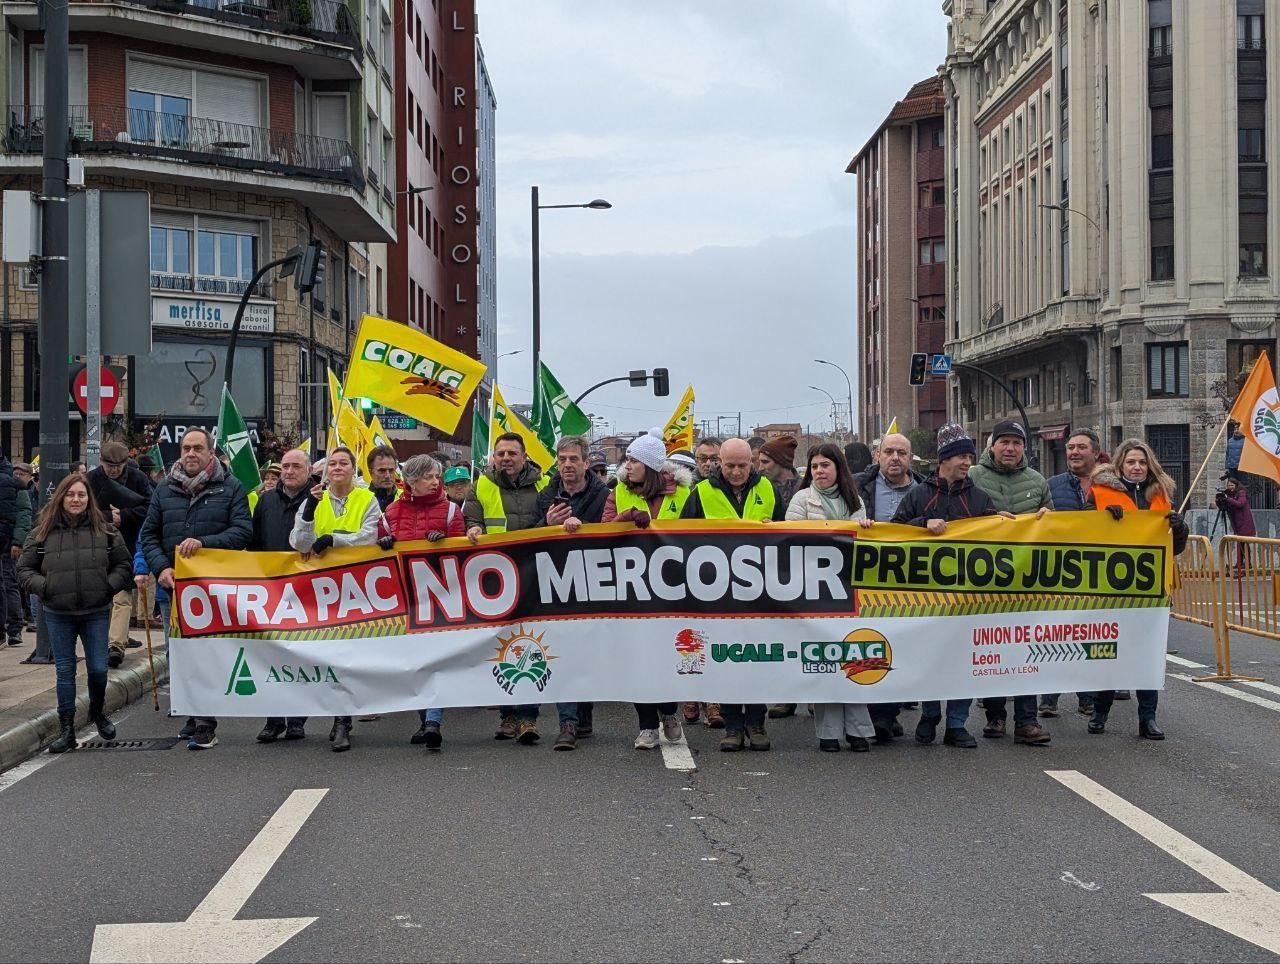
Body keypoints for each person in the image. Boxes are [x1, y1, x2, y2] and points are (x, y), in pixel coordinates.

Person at [140, 427, 253, 750]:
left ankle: (206, 723)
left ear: (210, 453)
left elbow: (242, 532)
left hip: (211, 592)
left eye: (197, 448)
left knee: (205, 655)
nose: (190, 454)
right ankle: (192, 713)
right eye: (186, 448)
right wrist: (161, 567)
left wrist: (204, 544)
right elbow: (149, 535)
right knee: (179, 656)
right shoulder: (164, 489)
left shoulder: (230, 488)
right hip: (172, 590)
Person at [893, 423, 1000, 749]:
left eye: (969, 455)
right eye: (960, 456)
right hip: (926, 598)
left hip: (968, 600)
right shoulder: (919, 495)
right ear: (944, 459)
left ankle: (957, 723)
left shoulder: (980, 499)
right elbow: (893, 533)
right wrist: (922, 525)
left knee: (963, 662)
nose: (967, 462)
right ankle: (930, 714)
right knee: (931, 659)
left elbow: (999, 538)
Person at [682, 437, 786, 751]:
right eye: (730, 466)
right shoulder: (700, 493)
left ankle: (756, 724)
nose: (737, 472)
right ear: (719, 464)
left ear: (752, 463)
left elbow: (789, 538)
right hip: (717, 595)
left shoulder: (768, 490)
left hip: (760, 593)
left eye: (742, 466)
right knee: (724, 661)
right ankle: (733, 726)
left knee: (755, 660)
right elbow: (681, 540)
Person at [20, 474, 132, 752]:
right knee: (65, 671)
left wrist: (107, 587)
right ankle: (67, 728)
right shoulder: (42, 532)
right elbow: (24, 570)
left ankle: (97, 712)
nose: (76, 499)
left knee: (97, 668)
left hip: (95, 610)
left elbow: (123, 564)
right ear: (61, 497)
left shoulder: (105, 530)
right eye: (70, 494)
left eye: (81, 495)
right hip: (58, 612)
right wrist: (46, 587)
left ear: (88, 499)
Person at [1087, 439, 1188, 740]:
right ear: (1120, 465)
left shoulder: (1161, 498)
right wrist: (1104, 521)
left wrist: (1179, 528)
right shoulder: (1099, 494)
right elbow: (1081, 536)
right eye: (1131, 462)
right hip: (1111, 589)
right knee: (1109, 653)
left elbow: (1175, 548)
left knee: (1148, 655)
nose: (1137, 467)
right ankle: (1100, 712)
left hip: (1150, 591)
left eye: (1142, 463)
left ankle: (1148, 718)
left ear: (1150, 466)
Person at [290, 447, 386, 753]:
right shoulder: (313, 500)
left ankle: (343, 719)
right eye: (332, 463)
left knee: (349, 654)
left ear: (353, 468)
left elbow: (369, 536)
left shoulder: (366, 499)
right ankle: (339, 714)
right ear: (324, 469)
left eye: (344, 462)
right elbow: (299, 542)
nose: (337, 467)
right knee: (329, 653)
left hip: (357, 585)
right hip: (321, 588)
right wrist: (307, 513)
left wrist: (335, 539)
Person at [603, 430, 695, 749]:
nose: (627, 466)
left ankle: (669, 713)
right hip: (632, 588)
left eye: (634, 460)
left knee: (667, 654)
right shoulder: (618, 492)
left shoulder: (682, 495)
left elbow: (699, 531)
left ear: (651, 465)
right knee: (638, 657)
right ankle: (646, 726)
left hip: (674, 587)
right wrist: (627, 517)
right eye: (627, 459)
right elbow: (601, 533)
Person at [463, 433, 556, 744]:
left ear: (524, 456)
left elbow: (553, 519)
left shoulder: (545, 484)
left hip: (536, 574)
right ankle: (508, 716)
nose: (505, 458)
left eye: (511, 453)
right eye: (500, 453)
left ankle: (529, 717)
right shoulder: (483, 484)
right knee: (501, 645)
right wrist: (472, 528)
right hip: (498, 579)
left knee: (533, 643)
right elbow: (470, 518)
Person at [966, 418, 1053, 746]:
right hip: (984, 583)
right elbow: (961, 518)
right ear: (992, 445)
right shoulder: (974, 476)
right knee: (991, 650)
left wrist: (1049, 520)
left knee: (1028, 651)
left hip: (1028, 585)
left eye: (1016, 443)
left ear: (1024, 449)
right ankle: (995, 716)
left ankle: (1027, 721)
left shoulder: (1037, 481)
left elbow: (1057, 531)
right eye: (1004, 442)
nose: (1010, 448)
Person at [786, 444, 878, 752]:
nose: (819, 471)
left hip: (849, 591)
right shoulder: (801, 500)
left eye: (825, 465)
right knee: (826, 660)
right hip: (814, 591)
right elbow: (789, 542)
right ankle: (828, 733)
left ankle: (858, 730)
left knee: (854, 657)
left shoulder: (855, 501)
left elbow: (863, 547)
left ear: (838, 468)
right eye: (814, 466)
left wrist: (864, 529)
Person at [382, 454, 465, 749]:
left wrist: (445, 540)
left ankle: (433, 721)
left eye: (436, 476)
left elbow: (463, 552)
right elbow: (379, 550)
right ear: (412, 481)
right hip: (404, 599)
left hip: (438, 598)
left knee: (434, 661)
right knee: (415, 663)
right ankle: (424, 719)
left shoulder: (451, 511)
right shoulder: (391, 512)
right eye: (428, 477)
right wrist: (384, 545)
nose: (435, 482)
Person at [533, 435, 610, 744]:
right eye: (562, 459)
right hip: (555, 584)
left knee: (585, 653)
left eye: (573, 459)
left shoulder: (603, 495)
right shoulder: (546, 495)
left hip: (591, 584)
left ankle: (583, 713)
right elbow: (527, 536)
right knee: (561, 652)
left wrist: (586, 527)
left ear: (586, 462)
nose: (567, 465)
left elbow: (611, 532)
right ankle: (567, 723)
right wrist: (547, 523)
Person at [251, 449, 313, 744]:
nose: (289, 472)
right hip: (271, 590)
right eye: (285, 467)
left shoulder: (317, 499)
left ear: (308, 469)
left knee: (300, 654)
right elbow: (254, 543)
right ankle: (273, 719)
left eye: (295, 466)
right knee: (271, 654)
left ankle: (297, 718)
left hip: (307, 589)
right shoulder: (265, 502)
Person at [1041, 428, 1104, 718]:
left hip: (1097, 575)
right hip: (1059, 574)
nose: (1074, 452)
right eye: (1070, 447)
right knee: (1054, 635)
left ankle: (1087, 697)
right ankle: (1049, 698)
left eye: (1081, 447)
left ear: (1095, 452)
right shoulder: (1051, 485)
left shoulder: (1110, 486)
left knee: (1089, 636)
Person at [87, 441, 154, 667]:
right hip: (96, 545)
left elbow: (150, 508)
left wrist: (123, 516)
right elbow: (81, 509)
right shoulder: (90, 480)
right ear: (101, 463)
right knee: (99, 596)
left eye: (119, 465)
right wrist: (107, 516)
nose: (114, 469)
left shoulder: (138, 479)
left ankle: (115, 645)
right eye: (109, 465)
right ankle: (102, 642)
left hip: (127, 544)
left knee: (122, 596)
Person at [0, 454, 32, 648]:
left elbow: (23, 513)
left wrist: (17, 541)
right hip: (8, 540)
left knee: (9, 582)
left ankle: (13, 627)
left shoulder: (12, 483)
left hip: (7, 541)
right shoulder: (11, 480)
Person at [757, 434, 801, 508]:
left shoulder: (806, 489)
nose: (760, 468)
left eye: (765, 462)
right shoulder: (757, 487)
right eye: (760, 462)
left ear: (781, 462)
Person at [367, 445, 400, 512]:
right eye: (382, 471)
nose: (387, 475)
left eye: (391, 470)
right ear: (371, 473)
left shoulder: (404, 498)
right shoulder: (362, 499)